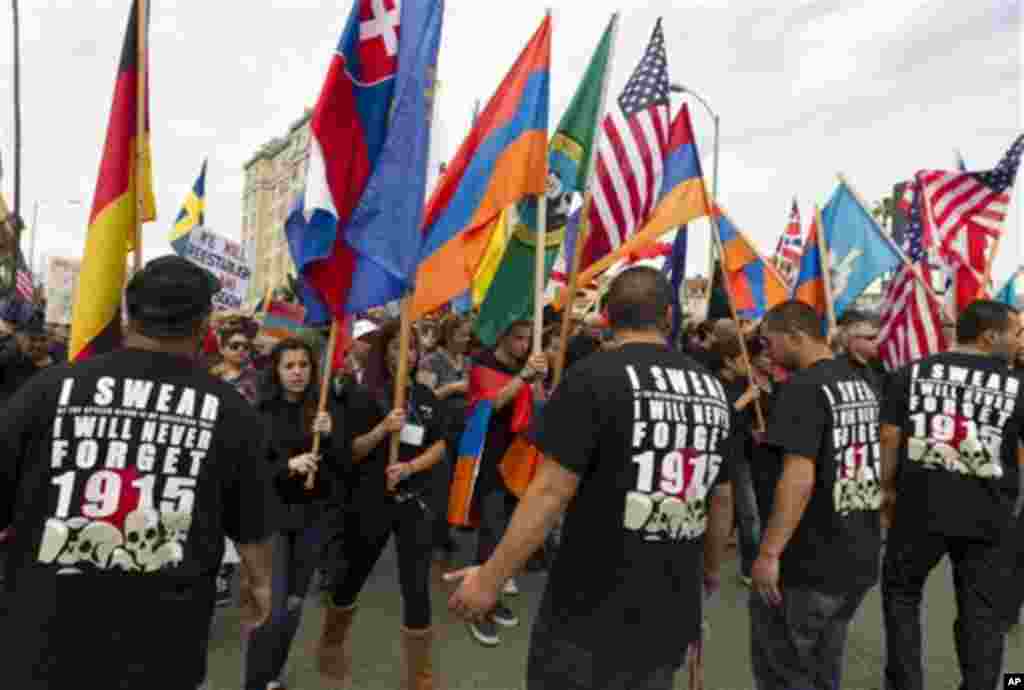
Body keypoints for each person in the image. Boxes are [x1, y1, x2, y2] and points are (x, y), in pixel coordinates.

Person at [447, 266, 735, 690]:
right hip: (670, 612)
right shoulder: (711, 388)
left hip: (588, 620)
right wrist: (709, 574)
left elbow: (548, 492)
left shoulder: (593, 377)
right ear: (669, 316)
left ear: (608, 317)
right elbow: (720, 498)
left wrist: (489, 580)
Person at [0, 256, 276, 690]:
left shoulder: (46, 390)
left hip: (41, 641)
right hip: (161, 651)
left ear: (128, 314)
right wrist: (260, 583)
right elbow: (253, 528)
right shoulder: (230, 411)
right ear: (205, 325)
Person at [880, 300, 1024, 690]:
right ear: (990, 335)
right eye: (1015, 333)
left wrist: (887, 489)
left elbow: (890, 438)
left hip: (919, 507)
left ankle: (905, 683)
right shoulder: (1016, 385)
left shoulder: (909, 374)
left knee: (901, 595)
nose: (1018, 342)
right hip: (989, 515)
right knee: (982, 611)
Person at [750, 300, 883, 690]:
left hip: (810, 560)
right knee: (824, 672)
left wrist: (769, 552)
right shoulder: (860, 380)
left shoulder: (804, 388)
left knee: (785, 673)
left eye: (769, 341)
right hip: (856, 552)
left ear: (796, 336)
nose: (766, 351)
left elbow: (799, 476)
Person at [318, 320, 449, 690]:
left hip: (412, 501)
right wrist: (382, 430)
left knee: (417, 585)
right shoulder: (364, 395)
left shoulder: (425, 397)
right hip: (370, 500)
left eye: (410, 348)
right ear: (385, 353)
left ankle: (420, 677)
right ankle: (331, 645)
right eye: (396, 348)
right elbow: (350, 451)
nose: (404, 354)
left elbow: (439, 446)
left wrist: (409, 466)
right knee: (352, 576)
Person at [244, 337, 347, 690]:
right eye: (289, 366)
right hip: (274, 519)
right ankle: (255, 682)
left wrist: (332, 436)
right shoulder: (260, 413)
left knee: (293, 605)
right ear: (276, 370)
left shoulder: (323, 409)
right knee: (271, 609)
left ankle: (273, 675)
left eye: (303, 365)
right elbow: (251, 471)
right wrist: (288, 466)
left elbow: (344, 466)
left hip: (314, 519)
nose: (298, 373)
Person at [455, 319, 548, 647]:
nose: (525, 345)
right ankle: (478, 607)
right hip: (490, 460)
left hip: (520, 458)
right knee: (490, 534)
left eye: (528, 338)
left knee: (509, 529)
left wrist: (537, 381)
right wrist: (523, 378)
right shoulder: (483, 362)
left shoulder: (527, 365)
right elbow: (489, 404)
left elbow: (539, 404)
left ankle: (491, 595)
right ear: (503, 335)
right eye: (519, 338)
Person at [713, 332, 762, 586]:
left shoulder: (745, 382)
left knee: (749, 514)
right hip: (722, 457)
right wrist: (743, 402)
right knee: (738, 513)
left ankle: (749, 566)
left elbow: (743, 423)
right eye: (742, 360)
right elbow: (721, 419)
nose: (748, 364)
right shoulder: (715, 384)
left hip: (742, 456)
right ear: (728, 362)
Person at [0, 310, 55, 405]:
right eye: (32, 339)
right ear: (20, 340)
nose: (37, 345)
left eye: (43, 339)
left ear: (52, 341)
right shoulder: (8, 363)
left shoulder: (62, 364)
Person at [837, 310, 886, 395]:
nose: (877, 342)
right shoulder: (834, 368)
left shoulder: (878, 365)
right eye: (870, 338)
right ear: (849, 338)